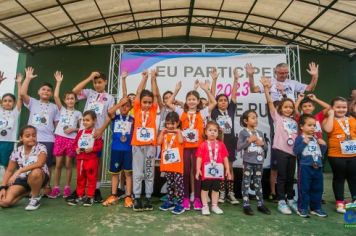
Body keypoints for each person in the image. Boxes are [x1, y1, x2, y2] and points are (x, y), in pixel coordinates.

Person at [166, 80, 217, 211]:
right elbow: (168, 103)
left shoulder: (203, 112)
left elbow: (214, 103)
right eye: (189, 99)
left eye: (194, 99)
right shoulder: (180, 111)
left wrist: (206, 89)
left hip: (199, 148)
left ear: (198, 101)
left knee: (197, 172)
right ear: (186, 101)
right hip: (184, 147)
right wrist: (176, 90)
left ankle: (198, 198)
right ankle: (185, 198)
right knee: (185, 172)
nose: (191, 101)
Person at [72, 71, 115, 202]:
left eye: (100, 82)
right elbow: (75, 90)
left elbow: (110, 115)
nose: (97, 85)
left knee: (96, 162)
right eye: (95, 82)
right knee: (81, 161)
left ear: (106, 82)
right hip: (83, 132)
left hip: (96, 134)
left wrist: (101, 130)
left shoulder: (109, 97)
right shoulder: (90, 93)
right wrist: (89, 77)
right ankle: (80, 190)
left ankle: (95, 188)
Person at [261, 77, 298, 215]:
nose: (288, 110)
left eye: (290, 107)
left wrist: (284, 94)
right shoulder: (277, 117)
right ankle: (281, 200)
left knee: (290, 177)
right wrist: (266, 89)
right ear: (280, 108)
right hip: (280, 150)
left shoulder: (295, 120)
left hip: (293, 152)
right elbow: (270, 102)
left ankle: (290, 199)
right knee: (281, 176)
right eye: (285, 107)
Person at [20, 67, 59, 195]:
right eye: (43, 89)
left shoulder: (54, 107)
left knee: (47, 165)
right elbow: (22, 94)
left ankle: (47, 185)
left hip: (48, 140)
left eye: (48, 90)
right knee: (29, 163)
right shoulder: (33, 102)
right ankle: (27, 187)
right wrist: (28, 78)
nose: (46, 91)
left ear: (51, 93)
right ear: (38, 92)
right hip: (32, 140)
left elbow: (57, 124)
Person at [48, 71, 82, 199]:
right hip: (60, 138)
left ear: (75, 100)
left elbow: (81, 129)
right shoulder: (61, 109)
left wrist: (74, 128)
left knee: (68, 165)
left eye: (72, 98)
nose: (70, 100)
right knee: (58, 164)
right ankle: (56, 187)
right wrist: (59, 82)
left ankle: (67, 187)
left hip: (71, 140)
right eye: (67, 98)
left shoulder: (78, 113)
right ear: (64, 100)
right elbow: (55, 96)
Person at [0, 125, 49, 210]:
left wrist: (19, 171)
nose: (31, 138)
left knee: (35, 172)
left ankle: (35, 198)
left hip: (39, 177)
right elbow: (9, 170)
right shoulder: (17, 151)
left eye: (34, 135)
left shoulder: (41, 147)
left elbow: (40, 163)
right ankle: (27, 192)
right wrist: (3, 188)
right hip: (23, 179)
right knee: (4, 202)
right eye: (27, 136)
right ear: (21, 138)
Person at [210, 67, 239, 205]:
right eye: (220, 100)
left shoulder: (231, 110)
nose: (223, 102)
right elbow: (211, 97)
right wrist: (214, 80)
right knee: (221, 168)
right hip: (218, 144)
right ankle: (221, 193)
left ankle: (231, 193)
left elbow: (233, 94)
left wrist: (236, 79)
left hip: (231, 142)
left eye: (225, 100)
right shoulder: (214, 112)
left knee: (230, 168)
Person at [131, 70, 159, 212]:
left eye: (149, 102)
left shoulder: (153, 110)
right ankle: (137, 197)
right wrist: (144, 78)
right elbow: (138, 93)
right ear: (140, 102)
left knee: (149, 172)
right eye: (145, 102)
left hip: (150, 146)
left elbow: (154, 95)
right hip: (137, 146)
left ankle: (147, 197)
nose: (147, 104)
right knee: (138, 172)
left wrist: (153, 79)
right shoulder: (136, 109)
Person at [322, 97, 356, 214]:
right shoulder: (328, 119)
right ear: (332, 108)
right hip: (336, 155)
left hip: (353, 155)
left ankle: (355, 201)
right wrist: (331, 115)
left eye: (344, 107)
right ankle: (340, 202)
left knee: (353, 178)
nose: (341, 109)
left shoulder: (352, 120)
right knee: (339, 178)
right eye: (338, 107)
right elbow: (328, 129)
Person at [237, 110, 271, 215]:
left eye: (256, 117)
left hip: (259, 162)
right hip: (248, 162)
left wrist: (262, 144)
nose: (255, 119)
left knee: (258, 182)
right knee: (246, 182)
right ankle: (246, 205)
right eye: (252, 117)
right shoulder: (243, 133)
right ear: (245, 121)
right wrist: (249, 140)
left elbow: (266, 147)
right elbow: (239, 148)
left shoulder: (260, 133)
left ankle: (260, 204)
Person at [102, 96, 134, 208]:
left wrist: (122, 103)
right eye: (122, 105)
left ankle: (128, 196)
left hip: (128, 150)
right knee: (115, 173)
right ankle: (113, 195)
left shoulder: (132, 120)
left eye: (127, 105)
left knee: (128, 174)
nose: (124, 107)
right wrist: (119, 103)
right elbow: (109, 111)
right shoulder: (115, 117)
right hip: (116, 149)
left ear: (130, 108)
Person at [293, 114, 327, 218]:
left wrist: (324, 146)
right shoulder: (300, 138)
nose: (312, 127)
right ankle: (302, 208)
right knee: (305, 188)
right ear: (302, 127)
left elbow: (321, 153)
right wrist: (303, 143)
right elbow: (296, 152)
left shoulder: (316, 138)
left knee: (318, 188)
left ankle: (316, 208)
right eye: (309, 125)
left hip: (318, 167)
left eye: (314, 125)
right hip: (305, 167)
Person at [195, 121, 232, 215]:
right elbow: (199, 158)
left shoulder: (221, 144)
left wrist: (227, 169)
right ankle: (205, 206)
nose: (212, 132)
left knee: (216, 189)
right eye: (210, 130)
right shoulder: (203, 144)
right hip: (206, 172)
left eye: (215, 130)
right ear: (205, 132)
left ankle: (214, 206)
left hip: (218, 172)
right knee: (205, 189)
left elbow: (225, 157)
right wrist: (198, 169)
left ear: (218, 133)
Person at [68, 111, 103, 207]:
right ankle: (80, 195)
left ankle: (90, 197)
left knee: (91, 178)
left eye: (87, 120)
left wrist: (92, 149)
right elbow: (75, 143)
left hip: (91, 160)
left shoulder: (96, 133)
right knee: (80, 178)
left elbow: (100, 146)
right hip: (80, 160)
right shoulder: (80, 132)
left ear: (94, 121)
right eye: (83, 120)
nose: (85, 122)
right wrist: (76, 149)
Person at [247, 62, 319, 102]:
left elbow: (310, 88)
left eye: (286, 73)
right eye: (281, 73)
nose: (284, 75)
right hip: (275, 111)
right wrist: (250, 76)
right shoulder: (269, 82)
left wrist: (315, 76)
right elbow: (253, 90)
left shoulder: (293, 83)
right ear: (275, 72)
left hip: (290, 111)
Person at [157, 111, 185, 214]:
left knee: (178, 185)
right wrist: (161, 132)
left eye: (172, 123)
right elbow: (158, 142)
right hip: (168, 165)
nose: (170, 126)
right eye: (168, 123)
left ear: (177, 123)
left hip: (177, 165)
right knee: (169, 184)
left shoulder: (179, 133)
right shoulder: (164, 134)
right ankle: (170, 201)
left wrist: (178, 132)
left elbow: (181, 142)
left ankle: (180, 204)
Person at [0, 71, 22, 170]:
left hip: (9, 142)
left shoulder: (15, 112)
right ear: (1, 103)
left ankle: (7, 184)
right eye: (5, 101)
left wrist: (19, 83)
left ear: (14, 103)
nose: (7, 103)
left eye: (10, 101)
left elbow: (20, 98)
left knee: (7, 166)